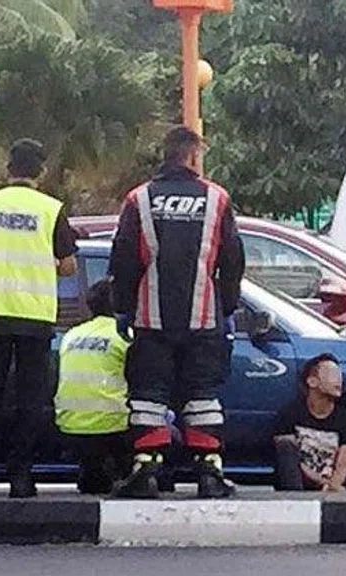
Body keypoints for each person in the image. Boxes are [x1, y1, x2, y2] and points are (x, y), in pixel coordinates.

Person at [110, 126, 245, 499]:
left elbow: (123, 258)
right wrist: (227, 306)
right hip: (203, 319)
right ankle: (209, 471)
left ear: (166, 153)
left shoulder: (138, 199)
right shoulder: (217, 199)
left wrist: (123, 308)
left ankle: (146, 469)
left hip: (151, 319)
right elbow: (232, 259)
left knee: (149, 394)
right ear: (192, 155)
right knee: (202, 393)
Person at [0, 138, 79, 498]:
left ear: (8, 169)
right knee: (30, 399)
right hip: (33, 315)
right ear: (39, 172)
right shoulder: (50, 209)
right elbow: (69, 265)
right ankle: (21, 477)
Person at [54, 279, 132, 495]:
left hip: (70, 426)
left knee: (94, 479)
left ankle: (94, 473)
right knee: (164, 429)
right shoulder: (125, 334)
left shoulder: (72, 335)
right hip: (113, 428)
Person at [273, 354, 346, 491]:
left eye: (339, 375)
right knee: (285, 444)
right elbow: (292, 461)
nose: (338, 380)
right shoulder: (289, 414)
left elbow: (343, 465)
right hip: (298, 483)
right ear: (312, 381)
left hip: (333, 486)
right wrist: (322, 483)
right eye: (331, 375)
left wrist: (333, 486)